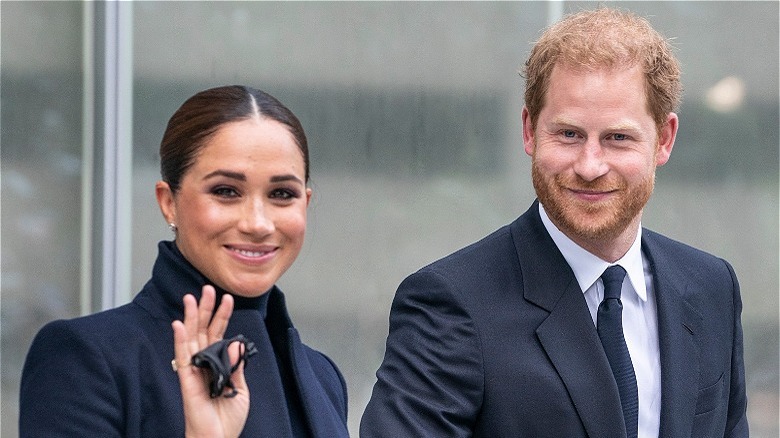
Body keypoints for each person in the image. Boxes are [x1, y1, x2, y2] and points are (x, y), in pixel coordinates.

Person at [361, 8, 748, 438]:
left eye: (618, 138)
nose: (589, 165)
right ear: (529, 130)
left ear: (665, 139)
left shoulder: (712, 288)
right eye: (568, 134)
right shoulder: (451, 304)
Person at [19, 85, 349, 437]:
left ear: (306, 203)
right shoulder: (84, 360)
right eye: (226, 191)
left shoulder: (322, 377)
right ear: (168, 202)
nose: (258, 223)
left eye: (282, 194)